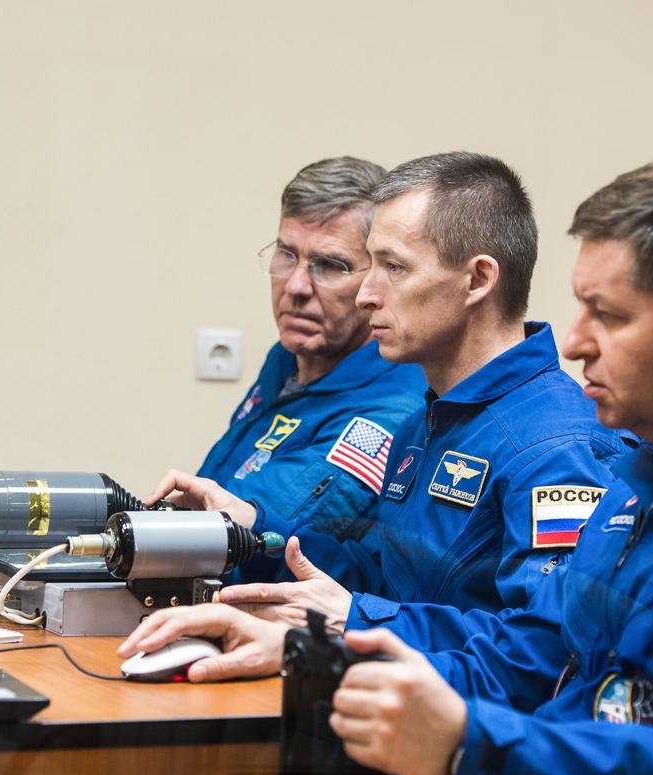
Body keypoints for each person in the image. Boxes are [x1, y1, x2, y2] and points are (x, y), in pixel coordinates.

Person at [121, 150, 653, 775]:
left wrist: (468, 745)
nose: (573, 340)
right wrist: (326, 630)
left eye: (611, 315)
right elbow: (536, 651)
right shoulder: (650, 472)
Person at [0, 157, 425, 577]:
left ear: (376, 277)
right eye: (287, 255)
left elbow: (228, 542)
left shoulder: (388, 407)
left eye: (330, 265)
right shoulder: (289, 358)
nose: (298, 286)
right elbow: (199, 512)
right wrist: (3, 528)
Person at [152, 152, 625, 613]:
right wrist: (252, 530)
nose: (365, 295)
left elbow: (545, 651)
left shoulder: (558, 446)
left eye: (394, 268)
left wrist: (355, 623)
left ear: (478, 280)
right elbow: (386, 586)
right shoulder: (425, 426)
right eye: (369, 266)